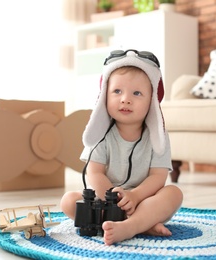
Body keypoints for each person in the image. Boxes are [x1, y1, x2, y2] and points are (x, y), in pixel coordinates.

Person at [60, 49, 183, 245]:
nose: (125, 99)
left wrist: (134, 196)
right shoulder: (102, 134)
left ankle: (132, 225)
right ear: (104, 97)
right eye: (117, 91)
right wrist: (114, 201)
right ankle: (143, 225)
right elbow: (95, 173)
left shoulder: (158, 136)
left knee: (173, 193)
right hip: (106, 202)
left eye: (137, 93)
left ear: (151, 101)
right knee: (68, 200)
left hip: (144, 201)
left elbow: (158, 177)